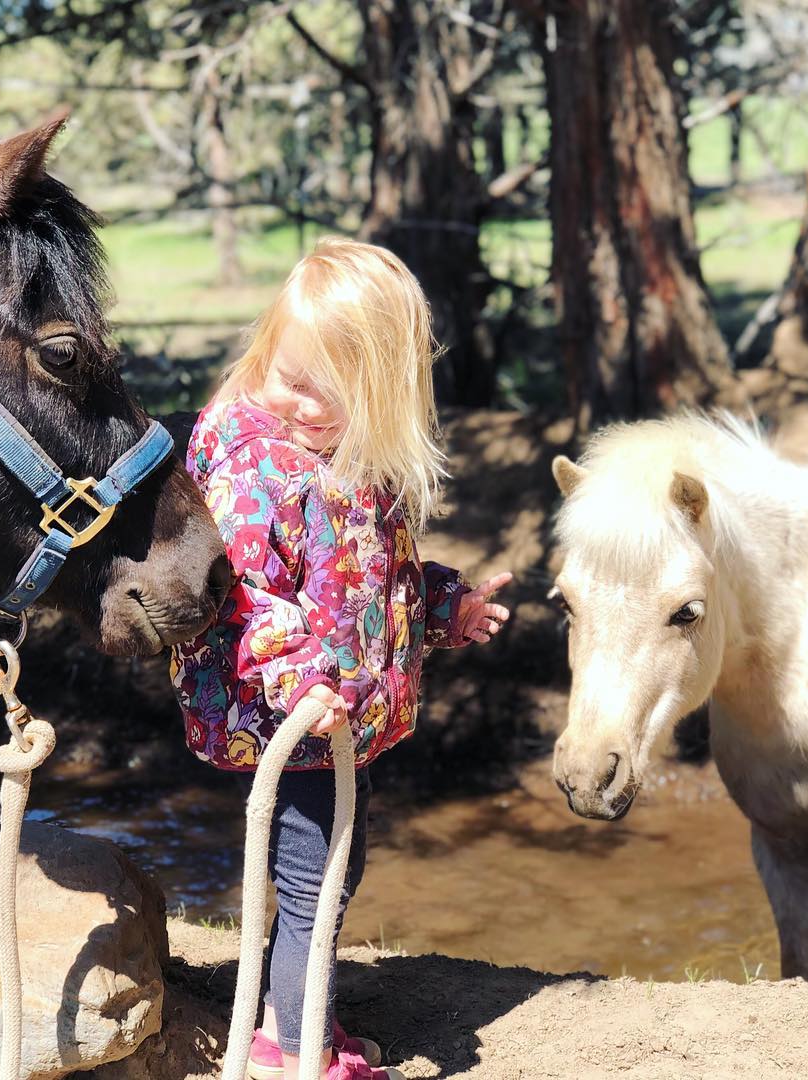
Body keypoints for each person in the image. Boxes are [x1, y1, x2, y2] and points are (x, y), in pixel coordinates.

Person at [171, 237, 512, 1080]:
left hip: (338, 718)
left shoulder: (352, 461)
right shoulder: (256, 465)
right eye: (292, 381)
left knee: (331, 874)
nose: (309, 410)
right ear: (266, 353)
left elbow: (374, 577)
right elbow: (252, 599)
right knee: (313, 890)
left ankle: (295, 1029)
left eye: (339, 394)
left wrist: (446, 607)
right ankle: (298, 1054)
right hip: (286, 715)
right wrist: (302, 685)